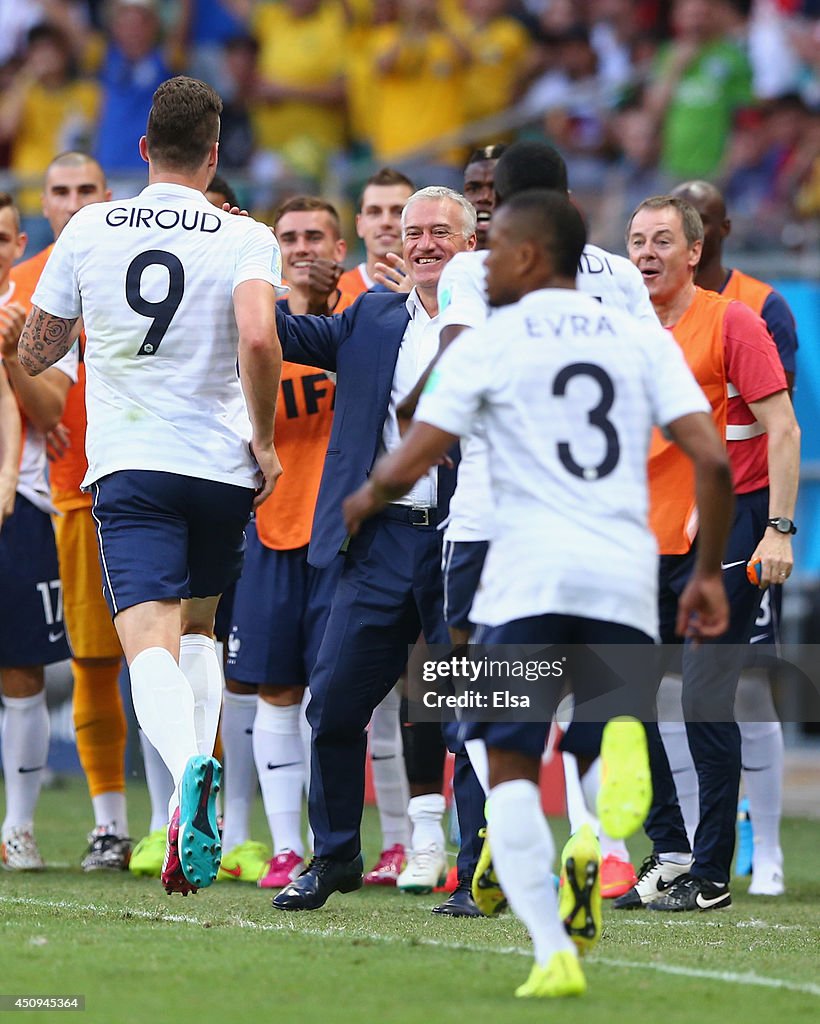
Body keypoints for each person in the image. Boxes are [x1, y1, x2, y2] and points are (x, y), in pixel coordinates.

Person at [342, 188, 734, 998]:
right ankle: (598, 820)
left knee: (508, 759)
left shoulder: (492, 338)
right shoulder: (639, 335)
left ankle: (551, 950)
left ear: (526, 255)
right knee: (600, 729)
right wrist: (703, 576)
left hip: (519, 572)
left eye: (497, 247)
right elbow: (717, 461)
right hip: (623, 572)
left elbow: (416, 453)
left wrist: (363, 498)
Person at [18, 75, 284, 896]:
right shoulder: (246, 234)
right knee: (198, 633)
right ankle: (185, 812)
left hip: (132, 464)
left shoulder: (91, 226)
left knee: (148, 646)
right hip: (221, 465)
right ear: (214, 154)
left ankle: (189, 769)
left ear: (142, 151)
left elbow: (38, 351)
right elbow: (258, 336)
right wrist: (265, 441)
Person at [397, 139, 661, 906]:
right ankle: (600, 842)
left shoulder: (480, 271)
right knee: (588, 686)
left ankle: (521, 842)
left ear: (499, 205)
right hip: (601, 512)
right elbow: (651, 376)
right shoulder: (617, 275)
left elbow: (457, 357)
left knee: (484, 688)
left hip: (491, 509)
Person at [268, 185, 477, 912]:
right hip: (380, 542)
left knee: (472, 711)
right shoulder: (373, 314)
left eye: (440, 232)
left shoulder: (497, 323)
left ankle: (479, 869)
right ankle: (333, 858)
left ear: (471, 244)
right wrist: (293, 286)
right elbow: (286, 339)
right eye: (413, 231)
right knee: (331, 706)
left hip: (467, 539)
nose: (422, 243)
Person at [617, 194, 800, 912]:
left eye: (663, 239)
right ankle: (668, 853)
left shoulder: (733, 321)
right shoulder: (621, 331)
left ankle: (713, 872)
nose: (647, 253)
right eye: (637, 240)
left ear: (695, 251)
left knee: (703, 697)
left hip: (725, 529)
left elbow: (781, 429)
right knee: (623, 695)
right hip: (642, 533)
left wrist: (779, 528)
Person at [668, 178, 799, 897]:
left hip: (740, 513)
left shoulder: (758, 307)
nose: (698, 234)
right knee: (671, 687)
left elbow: (768, 413)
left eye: (704, 222)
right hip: (671, 517)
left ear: (713, 231)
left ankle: (768, 849)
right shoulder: (649, 313)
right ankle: (692, 847)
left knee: (744, 689)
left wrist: (773, 523)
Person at [220, 196, 352, 887]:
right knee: (274, 689)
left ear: (341, 246)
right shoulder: (253, 321)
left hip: (343, 537)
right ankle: (284, 845)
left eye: (315, 237)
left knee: (344, 696)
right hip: (269, 528)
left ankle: (388, 842)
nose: (303, 247)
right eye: (289, 237)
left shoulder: (366, 314)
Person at [9, 151, 135, 872]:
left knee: (180, 656)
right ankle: (110, 824)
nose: (74, 200)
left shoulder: (134, 263)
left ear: (107, 196)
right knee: (90, 662)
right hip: (69, 491)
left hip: (152, 477)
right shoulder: (22, 289)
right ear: (44, 204)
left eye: (87, 189)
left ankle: (198, 820)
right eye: (60, 191)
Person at [0, 191, 74, 870]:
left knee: (20, 670)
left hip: (19, 506)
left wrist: (12, 356)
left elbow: (53, 412)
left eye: (1, 237)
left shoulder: (37, 322)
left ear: (17, 246)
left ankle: (18, 827)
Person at [338, 167, 415, 298]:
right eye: (374, 212)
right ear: (359, 224)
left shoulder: (438, 290)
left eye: (398, 212)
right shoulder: (335, 294)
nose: (386, 222)